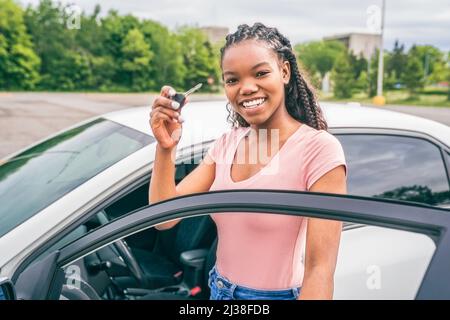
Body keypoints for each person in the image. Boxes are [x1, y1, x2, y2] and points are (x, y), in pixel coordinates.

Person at [148, 23, 347, 300]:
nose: (247, 88)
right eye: (233, 80)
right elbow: (164, 219)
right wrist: (165, 148)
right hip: (218, 288)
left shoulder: (319, 150)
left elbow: (320, 270)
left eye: (261, 73)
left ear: (285, 72)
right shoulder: (227, 142)